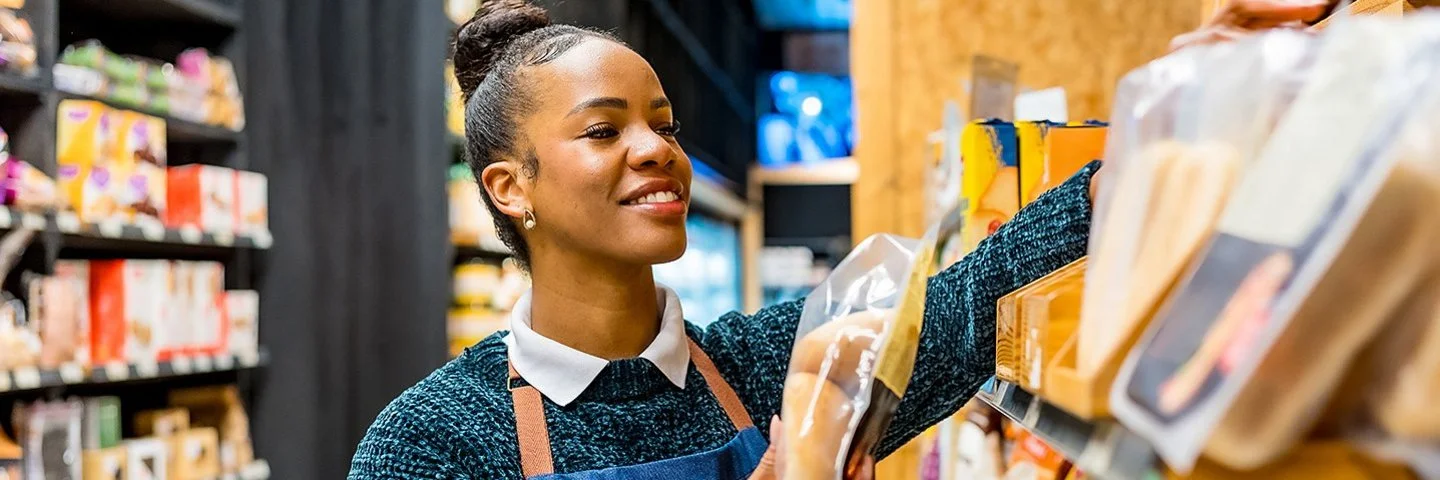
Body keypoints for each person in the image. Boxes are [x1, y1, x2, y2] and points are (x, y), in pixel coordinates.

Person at [347, 0, 1334, 478]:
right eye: (606, 130)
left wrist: (1177, 110)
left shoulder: (780, 364)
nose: (656, 150)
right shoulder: (432, 443)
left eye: (665, 123)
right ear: (508, 188)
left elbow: (979, 294)